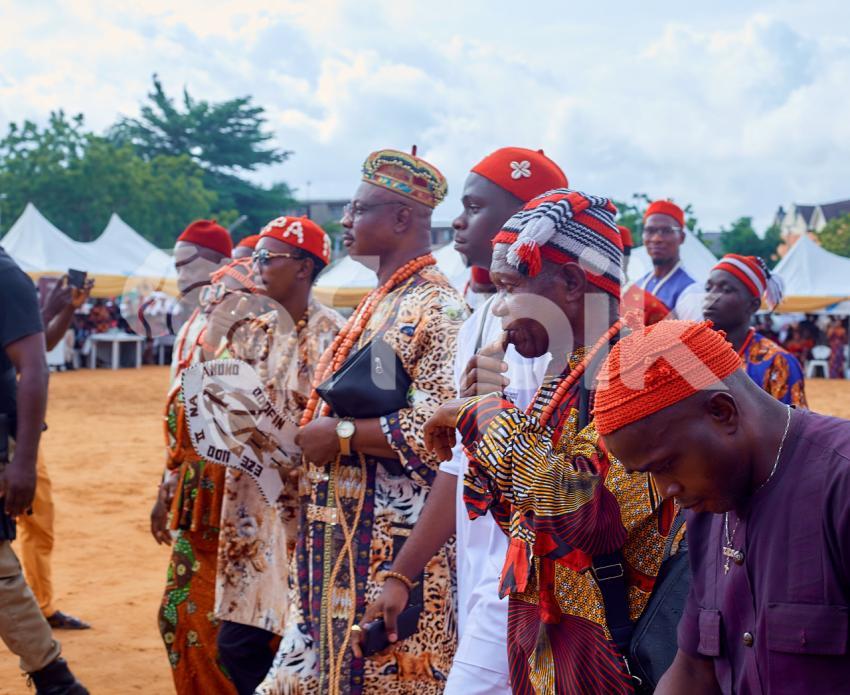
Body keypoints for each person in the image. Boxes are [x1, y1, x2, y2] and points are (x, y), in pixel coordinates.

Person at [423, 189, 675, 694]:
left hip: (607, 657)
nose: (498, 310)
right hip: (546, 645)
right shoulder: (565, 372)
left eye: (510, 286)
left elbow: (585, 518)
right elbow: (525, 516)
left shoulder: (636, 371)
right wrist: (486, 416)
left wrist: (485, 415)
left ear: (570, 281)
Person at [355, 147, 567, 693]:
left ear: (526, 220)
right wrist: (404, 572)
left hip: (542, 586)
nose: (458, 219)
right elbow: (461, 464)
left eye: (474, 206)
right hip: (480, 575)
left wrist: (473, 415)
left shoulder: (567, 330)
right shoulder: (479, 325)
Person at [257, 148, 467, 695]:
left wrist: (341, 435)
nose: (344, 222)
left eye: (357, 209)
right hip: (337, 548)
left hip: (393, 551)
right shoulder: (382, 301)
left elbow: (444, 429)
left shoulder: (438, 308)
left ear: (401, 219)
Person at [595, 320, 850, 694]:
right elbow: (696, 671)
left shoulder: (839, 483)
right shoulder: (708, 507)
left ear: (721, 412)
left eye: (666, 465)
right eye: (647, 474)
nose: (666, 490)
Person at [214, 217, 344, 695]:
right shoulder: (247, 333)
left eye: (269, 258)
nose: (258, 267)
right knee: (238, 643)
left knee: (308, 643)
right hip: (252, 513)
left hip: (311, 516)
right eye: (257, 258)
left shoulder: (339, 337)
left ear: (305, 268)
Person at [150, 220, 236, 695]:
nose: (179, 273)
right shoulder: (190, 327)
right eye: (175, 263)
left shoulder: (241, 324)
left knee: (219, 628)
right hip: (191, 493)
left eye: (188, 263)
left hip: (231, 504)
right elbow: (176, 420)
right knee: (180, 617)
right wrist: (166, 487)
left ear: (221, 265)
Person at [0, 245, 89, 694]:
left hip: (14, 443)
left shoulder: (5, 276)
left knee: (22, 545)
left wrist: (24, 462)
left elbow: (36, 362)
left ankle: (54, 677)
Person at [704, 254, 807, 407]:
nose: (711, 297)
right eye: (708, 288)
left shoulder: (777, 362)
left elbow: (793, 427)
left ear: (753, 305)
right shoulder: (696, 355)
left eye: (726, 290)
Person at [635, 200, 702, 320]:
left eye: (666, 231)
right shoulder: (638, 284)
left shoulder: (691, 291)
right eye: (650, 231)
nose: (656, 238)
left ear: (681, 237)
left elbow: (694, 338)